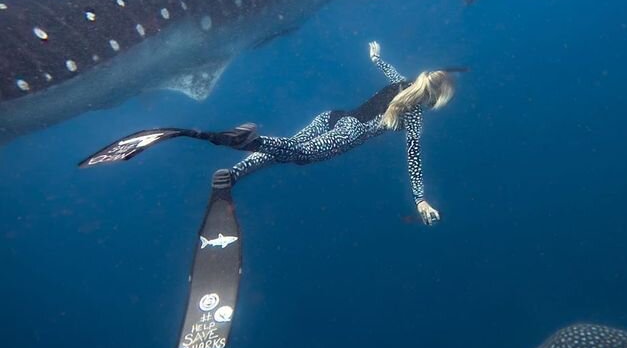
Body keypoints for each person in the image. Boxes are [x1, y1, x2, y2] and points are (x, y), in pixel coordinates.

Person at [79, 42, 464, 226]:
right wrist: (420, 201)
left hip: (330, 116)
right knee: (296, 154)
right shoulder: (413, 118)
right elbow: (413, 161)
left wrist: (374, 53)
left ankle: (234, 173)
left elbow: (383, 63)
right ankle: (244, 141)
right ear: (432, 101)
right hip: (347, 132)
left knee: (289, 148)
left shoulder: (399, 83)